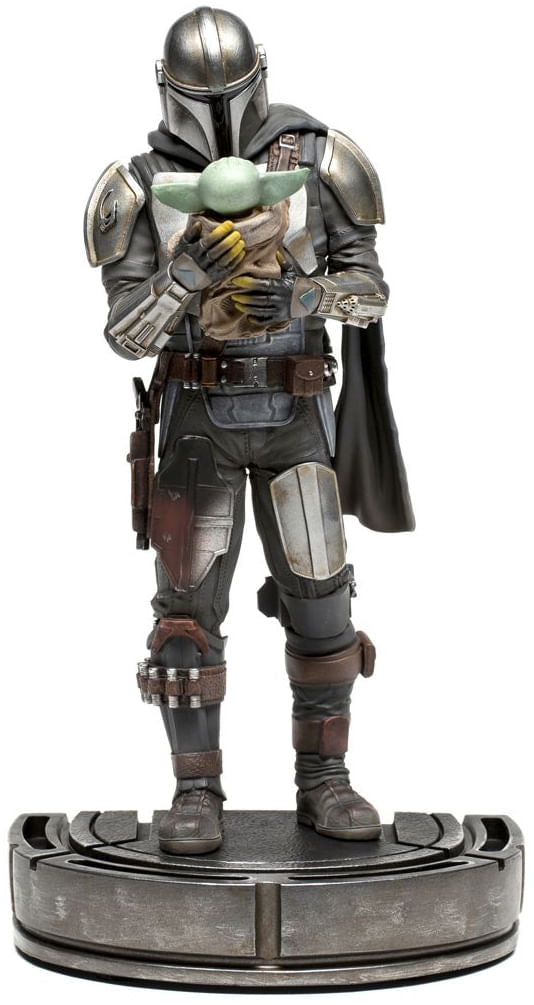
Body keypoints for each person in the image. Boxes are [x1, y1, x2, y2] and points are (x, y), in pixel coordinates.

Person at [84, 6, 414, 855]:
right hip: (198, 421)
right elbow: (126, 334)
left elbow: (370, 292)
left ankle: (325, 779)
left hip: (297, 414)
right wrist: (184, 278)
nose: (219, 112)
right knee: (184, 617)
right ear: (168, 92)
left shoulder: (319, 159)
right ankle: (195, 790)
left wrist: (304, 294)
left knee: (323, 604)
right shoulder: (138, 185)